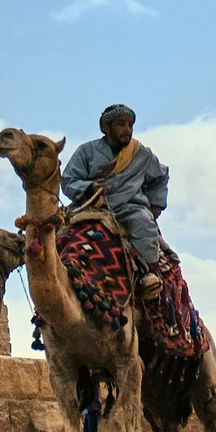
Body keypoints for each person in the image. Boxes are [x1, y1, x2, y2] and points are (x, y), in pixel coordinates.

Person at [61, 104, 169, 299]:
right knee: (60, 235)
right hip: (91, 208)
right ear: (106, 127)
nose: (127, 129)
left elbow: (161, 177)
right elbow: (68, 180)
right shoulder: (86, 151)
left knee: (143, 222)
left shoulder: (142, 154)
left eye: (130, 124)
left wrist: (155, 206)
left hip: (130, 207)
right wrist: (89, 187)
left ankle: (151, 275)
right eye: (121, 124)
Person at [77, 368, 109, 432]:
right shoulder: (86, 383)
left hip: (93, 410)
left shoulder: (94, 383)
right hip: (88, 411)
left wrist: (86, 410)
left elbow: (95, 400)